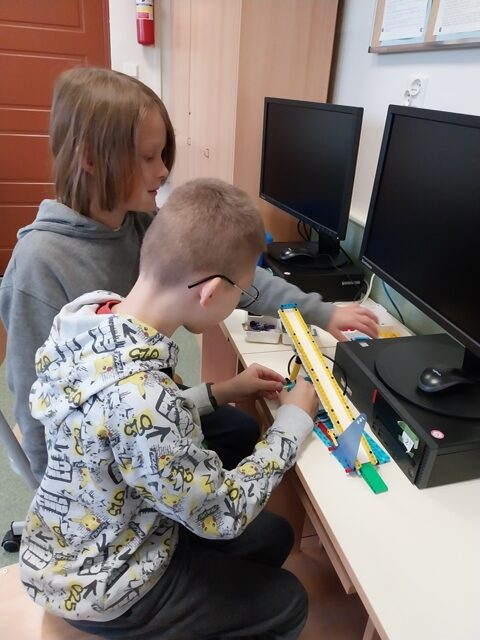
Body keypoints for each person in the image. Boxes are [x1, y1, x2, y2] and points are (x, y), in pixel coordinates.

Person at [0, 66, 378, 483]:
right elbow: (36, 414)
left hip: (149, 405)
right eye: (148, 157)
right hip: (103, 462)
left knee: (241, 430)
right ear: (89, 158)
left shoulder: (139, 222)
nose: (163, 170)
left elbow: (233, 273)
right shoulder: (39, 264)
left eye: (163, 155)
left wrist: (324, 313)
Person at [21, 178, 319, 639]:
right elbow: (223, 513)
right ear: (211, 292)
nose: (238, 302)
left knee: (274, 536)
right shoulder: (146, 397)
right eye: (241, 292)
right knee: (290, 603)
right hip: (104, 588)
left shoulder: (89, 315)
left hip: (79, 535)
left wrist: (221, 391)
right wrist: (292, 423)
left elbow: (121, 420)